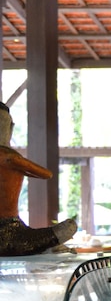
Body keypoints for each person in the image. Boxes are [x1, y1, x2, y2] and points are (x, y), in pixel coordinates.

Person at [0, 101, 77, 255]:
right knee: (69, 227)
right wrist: (23, 169)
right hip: (10, 228)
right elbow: (46, 174)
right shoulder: (10, 157)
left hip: (13, 228)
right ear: (9, 128)